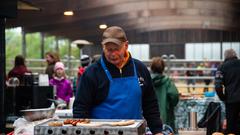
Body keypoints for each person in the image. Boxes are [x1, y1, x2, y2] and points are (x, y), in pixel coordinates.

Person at [73, 26, 163, 134]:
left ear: (126, 45)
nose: (113, 54)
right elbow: (80, 109)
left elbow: (150, 104)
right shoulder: (92, 73)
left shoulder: (140, 69)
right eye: (109, 49)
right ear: (103, 47)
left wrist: (157, 131)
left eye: (116, 49)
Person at [150, 57, 179, 133]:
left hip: (150, 117)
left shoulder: (147, 81)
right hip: (166, 116)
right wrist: (170, 105)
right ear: (163, 68)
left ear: (152, 68)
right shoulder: (167, 81)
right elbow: (175, 95)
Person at [215, 49, 240, 134]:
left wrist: (223, 97)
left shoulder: (222, 67)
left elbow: (218, 86)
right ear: (235, 55)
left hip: (231, 100)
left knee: (231, 126)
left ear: (225, 56)